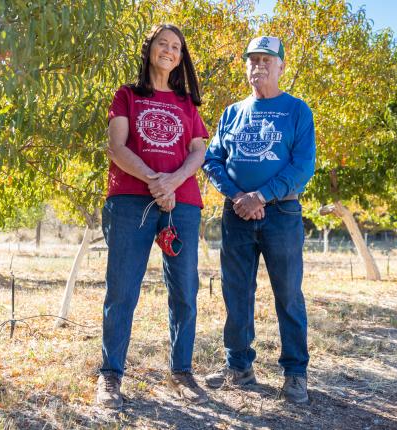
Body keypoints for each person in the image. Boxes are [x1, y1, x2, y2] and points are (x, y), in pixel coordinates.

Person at [96, 24, 209, 409]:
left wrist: (173, 182)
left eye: (176, 46)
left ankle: (181, 371)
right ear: (149, 50)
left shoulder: (187, 103)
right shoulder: (127, 95)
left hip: (183, 206)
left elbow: (199, 151)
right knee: (122, 290)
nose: (170, 50)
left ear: (181, 57)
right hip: (130, 202)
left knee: (184, 291)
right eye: (163, 43)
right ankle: (110, 376)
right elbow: (116, 146)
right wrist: (154, 181)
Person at [202, 36, 316, 404]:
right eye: (253, 60)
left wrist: (262, 195)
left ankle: (295, 374)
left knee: (288, 294)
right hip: (236, 214)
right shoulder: (232, 112)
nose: (259, 66)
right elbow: (212, 160)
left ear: (282, 67)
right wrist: (239, 197)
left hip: (282, 213)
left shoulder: (298, 111)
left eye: (267, 60)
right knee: (236, 294)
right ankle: (238, 366)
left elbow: (302, 166)